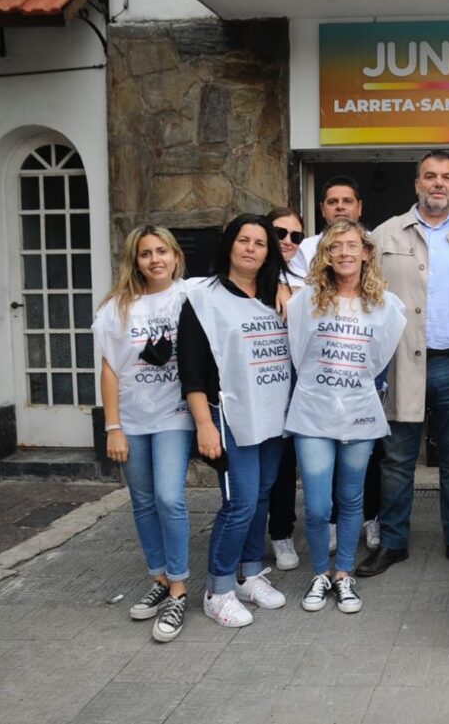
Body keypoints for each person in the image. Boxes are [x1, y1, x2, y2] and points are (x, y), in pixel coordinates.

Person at [357, 150, 449, 578]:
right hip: (401, 363)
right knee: (396, 460)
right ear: (417, 183)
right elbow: (365, 296)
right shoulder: (384, 234)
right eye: (430, 176)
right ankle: (393, 543)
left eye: (447, 177)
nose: (439, 183)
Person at [285, 220, 405, 613]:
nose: (344, 253)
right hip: (313, 412)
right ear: (325, 255)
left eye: (352, 245)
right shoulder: (304, 301)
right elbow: (298, 353)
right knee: (318, 506)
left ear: (366, 252)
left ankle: (343, 575)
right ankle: (320, 573)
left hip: (359, 412)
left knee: (352, 499)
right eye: (335, 247)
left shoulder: (385, 305)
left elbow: (380, 358)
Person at [178, 214, 292, 627]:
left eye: (260, 243)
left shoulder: (275, 296)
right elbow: (191, 370)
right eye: (244, 240)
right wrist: (204, 424)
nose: (251, 249)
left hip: (272, 413)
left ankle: (248, 574)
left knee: (261, 494)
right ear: (229, 244)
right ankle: (218, 589)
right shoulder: (202, 298)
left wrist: (287, 289)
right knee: (240, 501)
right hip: (229, 414)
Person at [92, 225, 194, 643]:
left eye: (162, 251)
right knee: (144, 501)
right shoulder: (117, 308)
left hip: (175, 413)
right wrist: (113, 427)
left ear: (175, 256)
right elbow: (109, 370)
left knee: (170, 497)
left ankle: (180, 588)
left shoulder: (192, 295)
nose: (155, 260)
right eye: (146, 253)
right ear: (135, 261)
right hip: (132, 419)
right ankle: (160, 578)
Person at [264, 207, 307, 572]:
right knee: (268, 463)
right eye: (280, 233)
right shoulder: (247, 275)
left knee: (290, 458)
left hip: (302, 379)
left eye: (296, 236)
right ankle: (265, 536)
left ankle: (284, 531)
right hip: (260, 382)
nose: (288, 241)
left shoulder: (306, 275)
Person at [288, 176, 365, 279]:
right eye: (332, 202)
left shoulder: (376, 242)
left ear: (359, 207)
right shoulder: (304, 249)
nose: (340, 206)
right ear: (322, 209)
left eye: (347, 201)